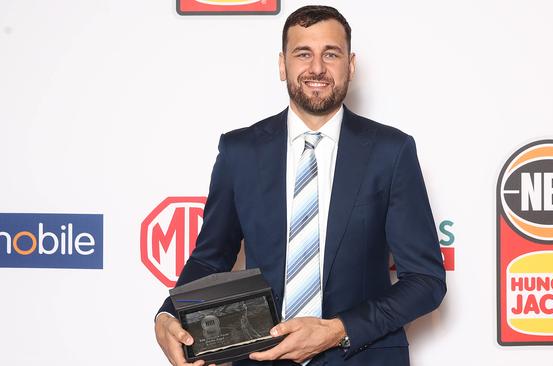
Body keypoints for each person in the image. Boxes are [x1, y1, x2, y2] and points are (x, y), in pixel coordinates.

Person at [154, 5, 446, 366]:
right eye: (303, 53)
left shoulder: (391, 151)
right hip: (259, 358)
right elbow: (210, 258)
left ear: (350, 65)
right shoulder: (239, 151)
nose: (317, 68)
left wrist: (338, 329)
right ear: (282, 65)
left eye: (331, 54)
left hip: (362, 357)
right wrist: (169, 313)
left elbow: (425, 280)